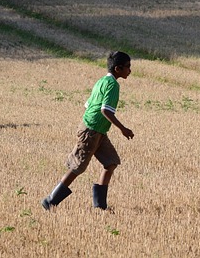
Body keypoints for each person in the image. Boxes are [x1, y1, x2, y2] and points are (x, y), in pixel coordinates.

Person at [41, 51, 135, 211]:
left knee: (111, 162)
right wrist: (123, 129)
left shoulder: (101, 81)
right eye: (128, 67)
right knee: (78, 167)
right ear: (118, 69)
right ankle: (50, 201)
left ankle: (100, 206)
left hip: (97, 130)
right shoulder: (112, 85)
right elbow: (106, 110)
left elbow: (87, 105)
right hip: (91, 131)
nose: (130, 70)